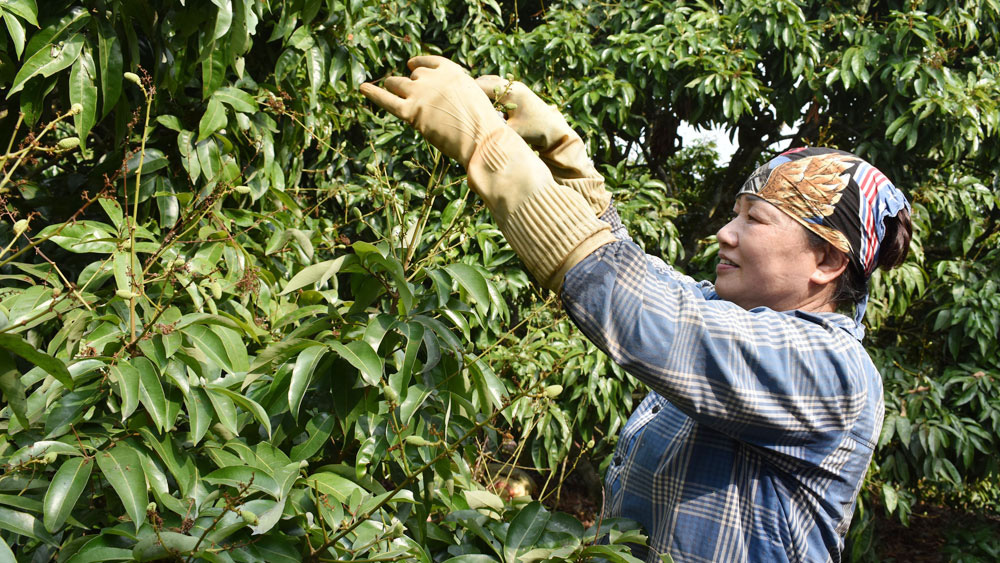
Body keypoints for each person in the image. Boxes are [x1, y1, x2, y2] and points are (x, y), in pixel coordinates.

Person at [361, 56, 912, 563]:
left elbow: (647, 312)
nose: (725, 234)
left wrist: (490, 148)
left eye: (754, 219)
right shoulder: (727, 317)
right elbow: (642, 274)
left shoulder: (832, 372)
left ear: (826, 261)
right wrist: (566, 158)